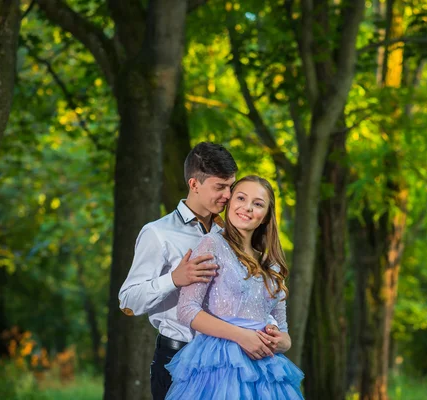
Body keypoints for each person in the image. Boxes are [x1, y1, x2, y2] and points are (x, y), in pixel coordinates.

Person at [118, 143, 279, 400]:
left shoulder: (232, 233)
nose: (228, 195)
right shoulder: (158, 233)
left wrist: (267, 326)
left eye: (231, 186)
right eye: (220, 187)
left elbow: (252, 292)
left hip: (228, 361)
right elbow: (127, 301)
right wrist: (173, 279)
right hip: (177, 356)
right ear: (194, 184)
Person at [164, 175, 304, 399]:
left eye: (257, 204)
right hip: (219, 364)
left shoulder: (272, 265)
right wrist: (241, 336)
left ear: (266, 216)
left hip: (264, 369)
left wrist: (282, 342)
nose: (247, 208)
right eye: (241, 198)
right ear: (229, 203)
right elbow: (187, 308)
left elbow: (284, 331)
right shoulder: (212, 244)